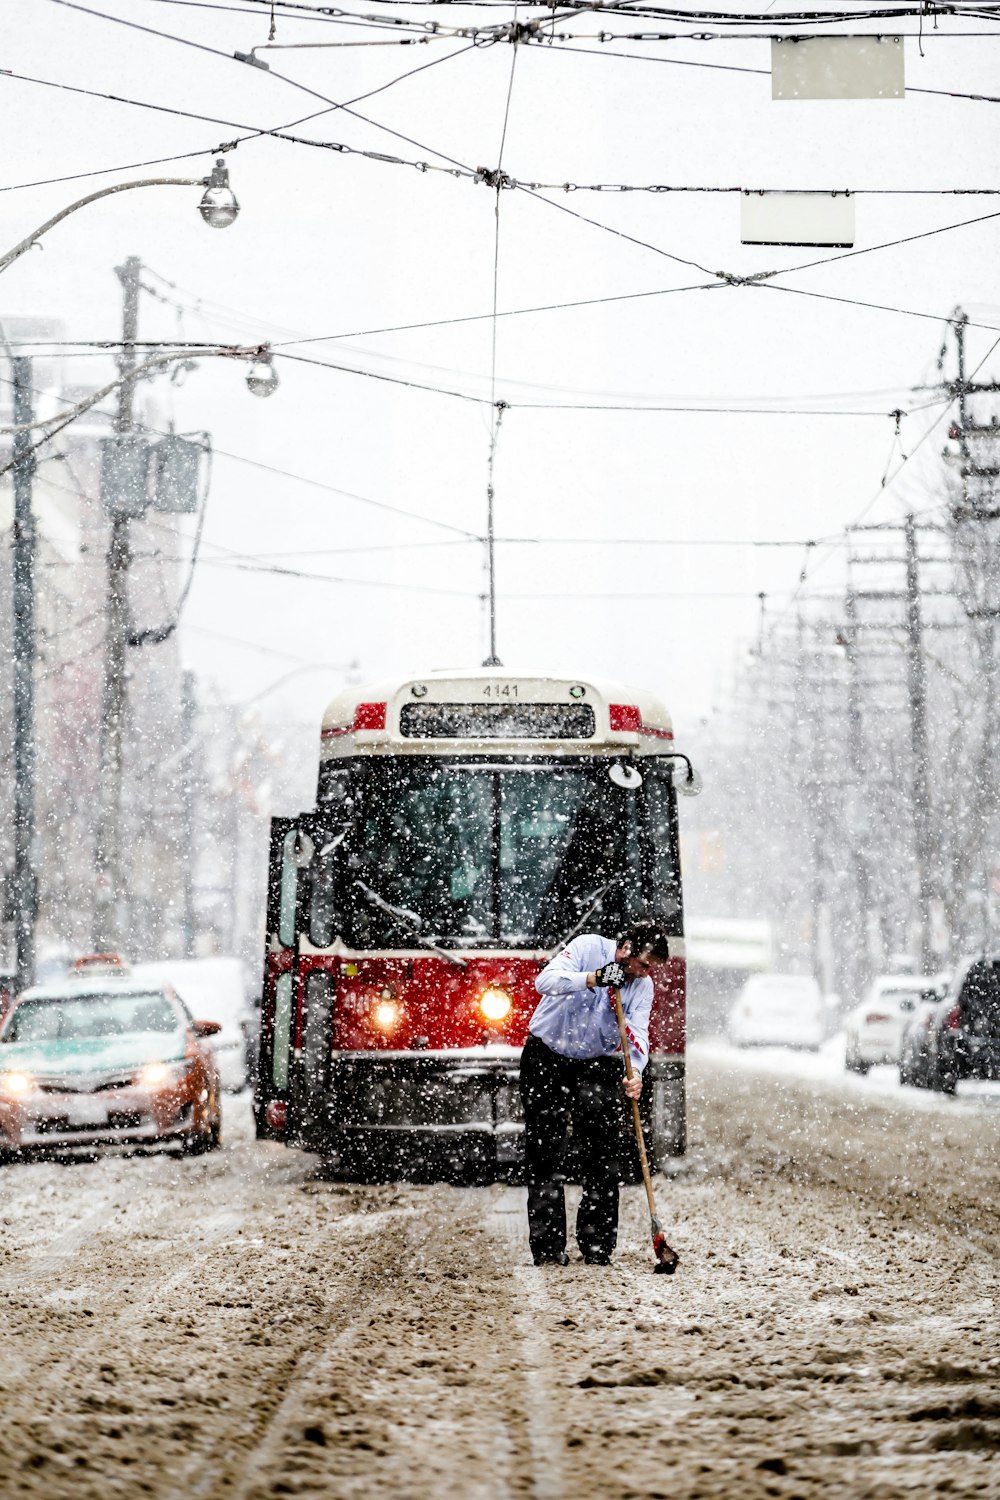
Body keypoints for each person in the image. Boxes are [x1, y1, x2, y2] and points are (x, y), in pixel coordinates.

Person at [520, 919, 672, 1267]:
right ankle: (547, 1249)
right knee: (545, 1154)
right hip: (547, 1055)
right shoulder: (588, 948)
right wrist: (595, 978)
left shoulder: (641, 985)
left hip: (598, 1063)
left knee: (603, 1157)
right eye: (644, 964)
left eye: (651, 969)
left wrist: (636, 1071)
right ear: (627, 948)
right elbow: (545, 981)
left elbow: (637, 1032)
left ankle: (597, 1247)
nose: (645, 973)